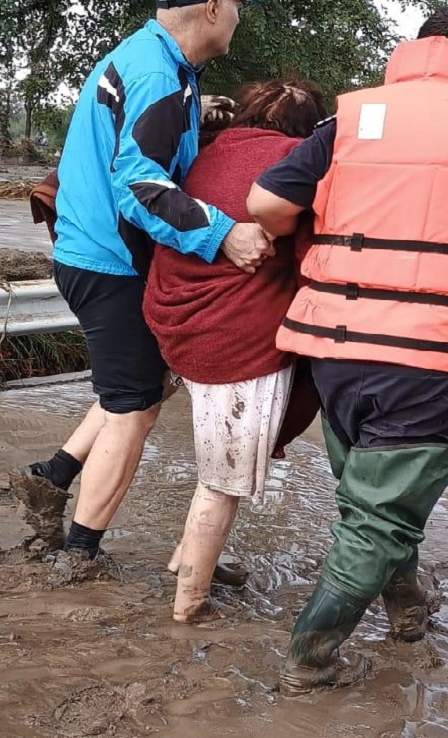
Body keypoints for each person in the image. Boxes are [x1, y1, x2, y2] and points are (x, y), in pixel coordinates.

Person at [246, 5, 448, 696]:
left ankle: (406, 609)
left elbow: (266, 203)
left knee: (373, 496)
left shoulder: (350, 118)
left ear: (420, 48)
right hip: (435, 353)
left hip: (335, 346)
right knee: (381, 511)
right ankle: (309, 657)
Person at [11, 0, 275, 563]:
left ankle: (50, 479)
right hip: (111, 263)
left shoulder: (153, 61)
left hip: (88, 251)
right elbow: (140, 186)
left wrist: (196, 115)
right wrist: (222, 234)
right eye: (237, 6)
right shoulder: (160, 78)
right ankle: (79, 553)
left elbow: (134, 135)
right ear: (212, 8)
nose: (238, 18)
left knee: (135, 386)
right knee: (134, 410)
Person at [141, 80, 327, 622]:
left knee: (220, 463)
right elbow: (312, 256)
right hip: (234, 340)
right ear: (309, 130)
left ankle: (192, 559)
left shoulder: (202, 150)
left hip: (173, 325)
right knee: (221, 482)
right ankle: (187, 608)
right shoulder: (295, 164)